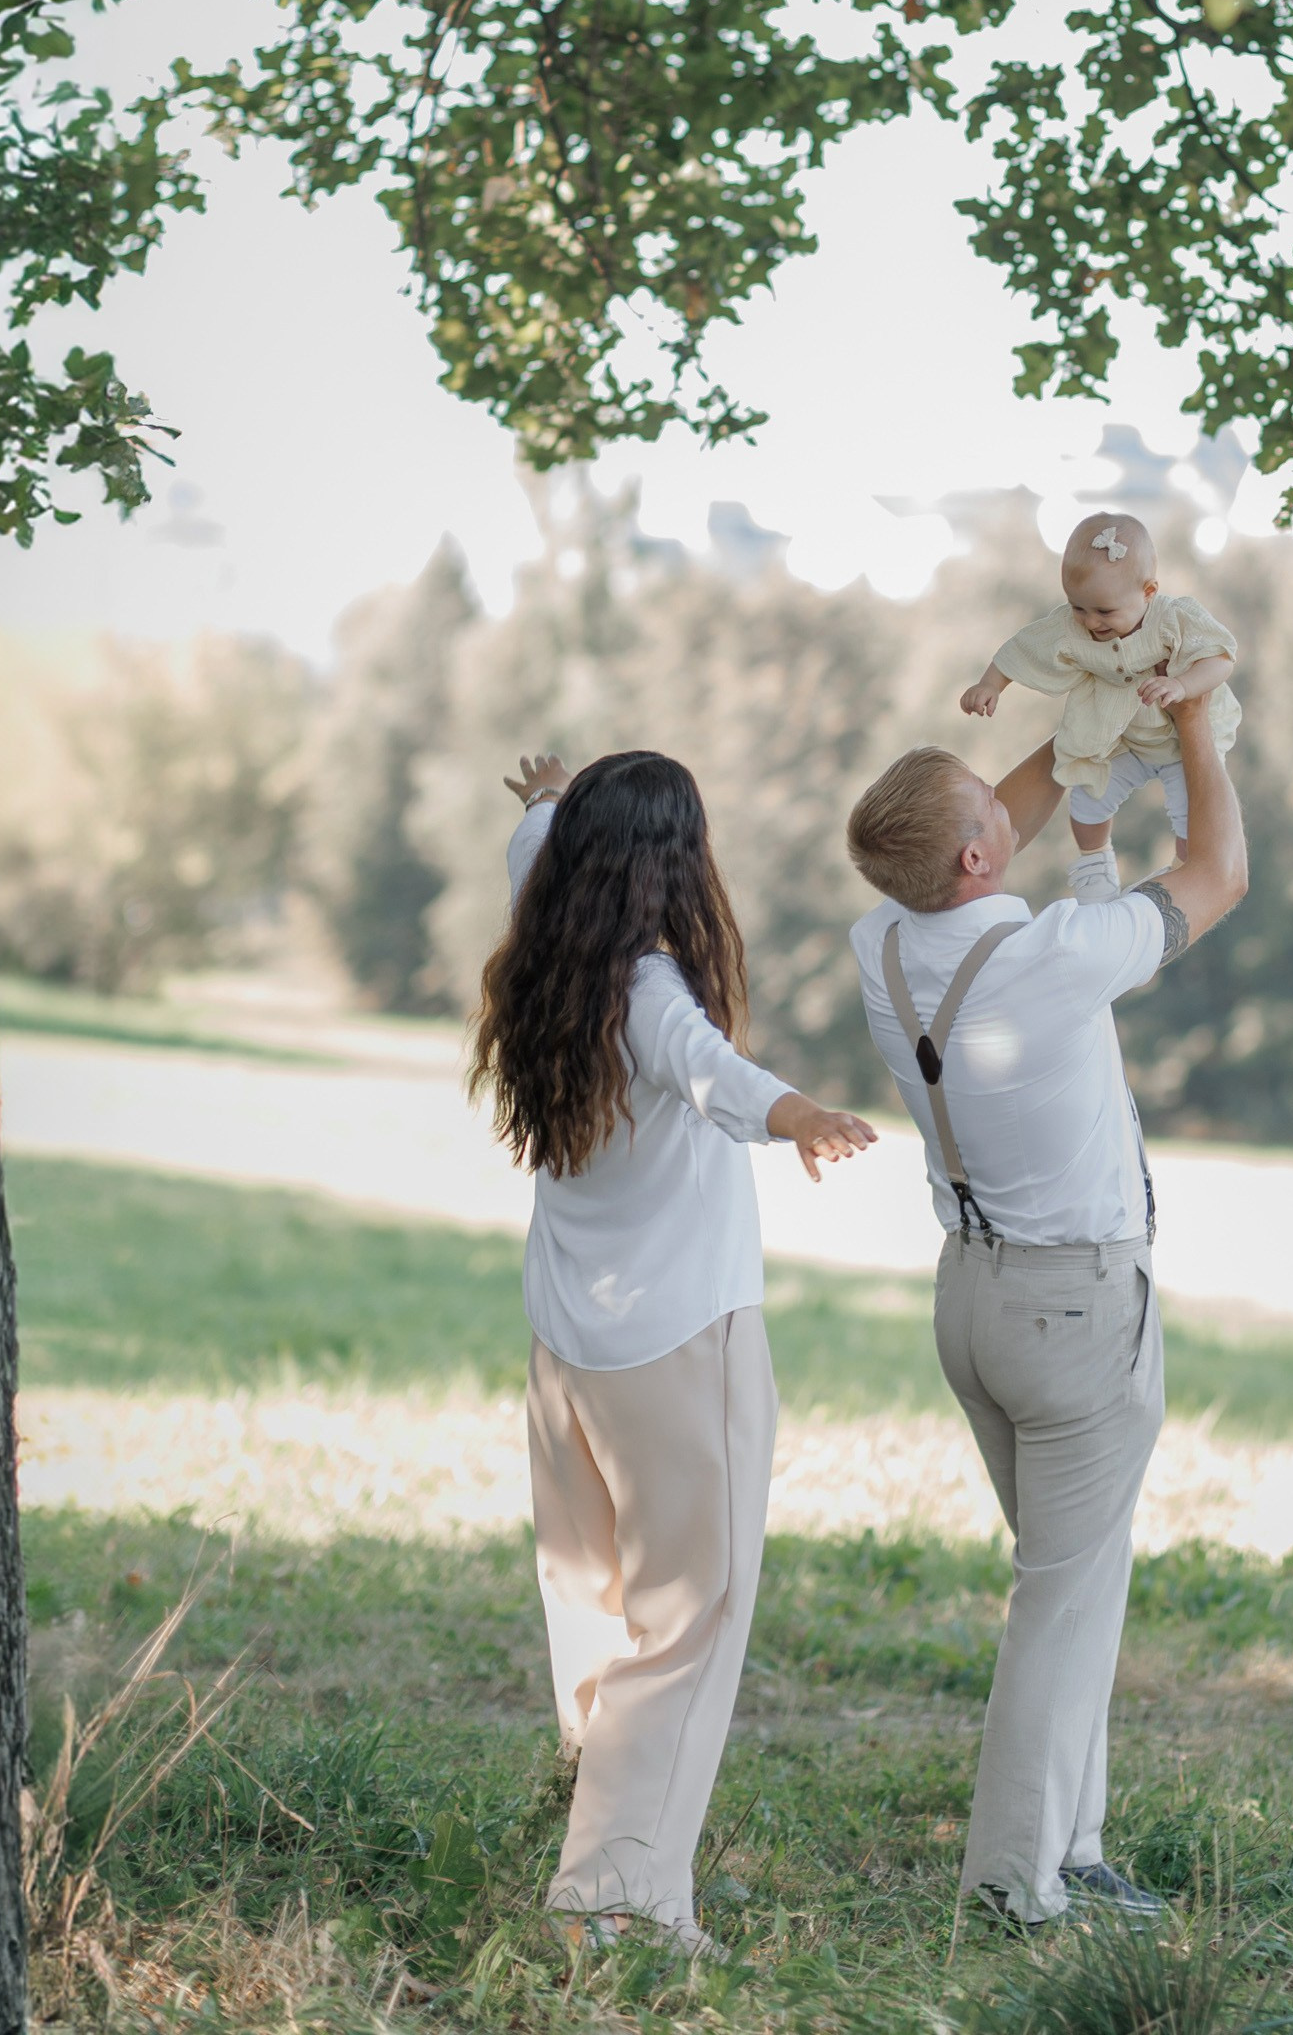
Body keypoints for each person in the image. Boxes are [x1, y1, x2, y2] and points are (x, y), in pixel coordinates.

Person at [843, 693, 1248, 1929]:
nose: (1007, 805)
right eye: (987, 807)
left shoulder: (882, 939)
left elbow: (980, 832)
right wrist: (1191, 729)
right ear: (977, 858)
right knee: (1058, 1604)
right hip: (1073, 1313)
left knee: (1080, 1586)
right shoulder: (1054, 958)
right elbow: (1220, 874)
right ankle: (1013, 1882)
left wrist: (1091, 727)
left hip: (972, 1302)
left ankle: (1075, 1849)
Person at [474, 747, 877, 1957]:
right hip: (678, 1343)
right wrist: (802, 1115)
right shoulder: (648, 989)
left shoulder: (545, 945)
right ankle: (618, 1899)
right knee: (692, 1619)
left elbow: (534, 843)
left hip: (568, 1347)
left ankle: (599, 1812)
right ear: (676, 867)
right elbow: (714, 1075)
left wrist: (548, 800)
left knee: (595, 1598)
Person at [958, 512, 1240, 900]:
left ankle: (1181, 875)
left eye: (1104, 611)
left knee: (1192, 819)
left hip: (1182, 746)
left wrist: (1181, 684)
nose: (1090, 622)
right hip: (1123, 739)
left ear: (1148, 592)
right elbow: (1025, 647)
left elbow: (1220, 657)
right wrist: (990, 684)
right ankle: (1095, 863)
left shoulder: (1175, 618)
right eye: (1078, 607)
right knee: (1087, 799)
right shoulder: (1071, 626)